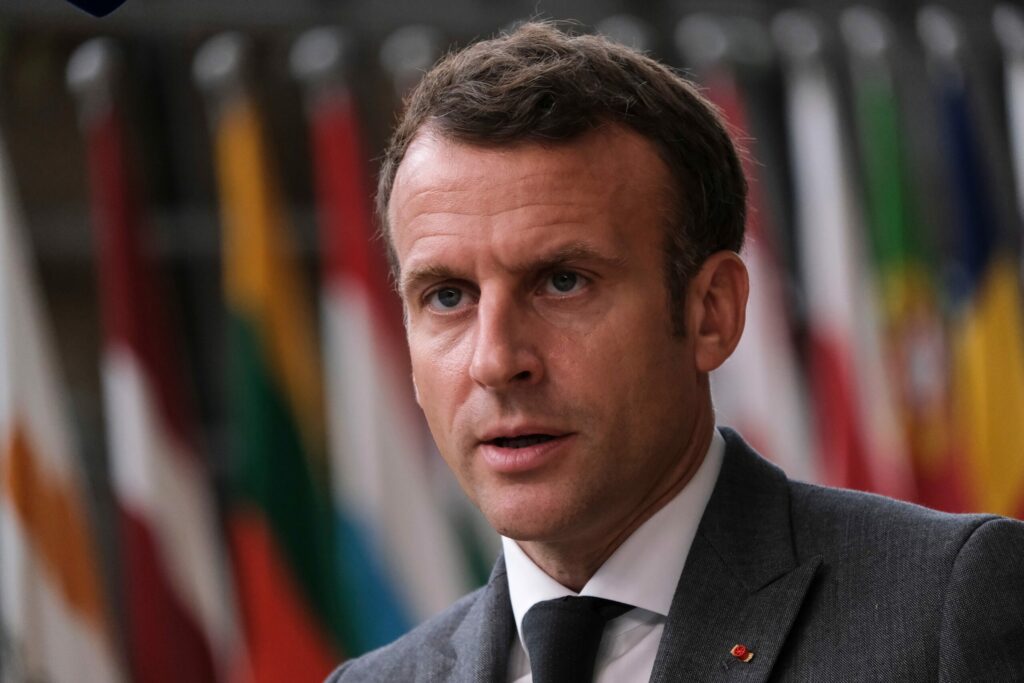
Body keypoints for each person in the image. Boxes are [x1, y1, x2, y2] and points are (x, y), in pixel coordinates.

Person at [327, 21, 1024, 682]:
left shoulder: (946, 608)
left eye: (564, 282)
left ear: (712, 312)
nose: (496, 360)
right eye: (448, 296)